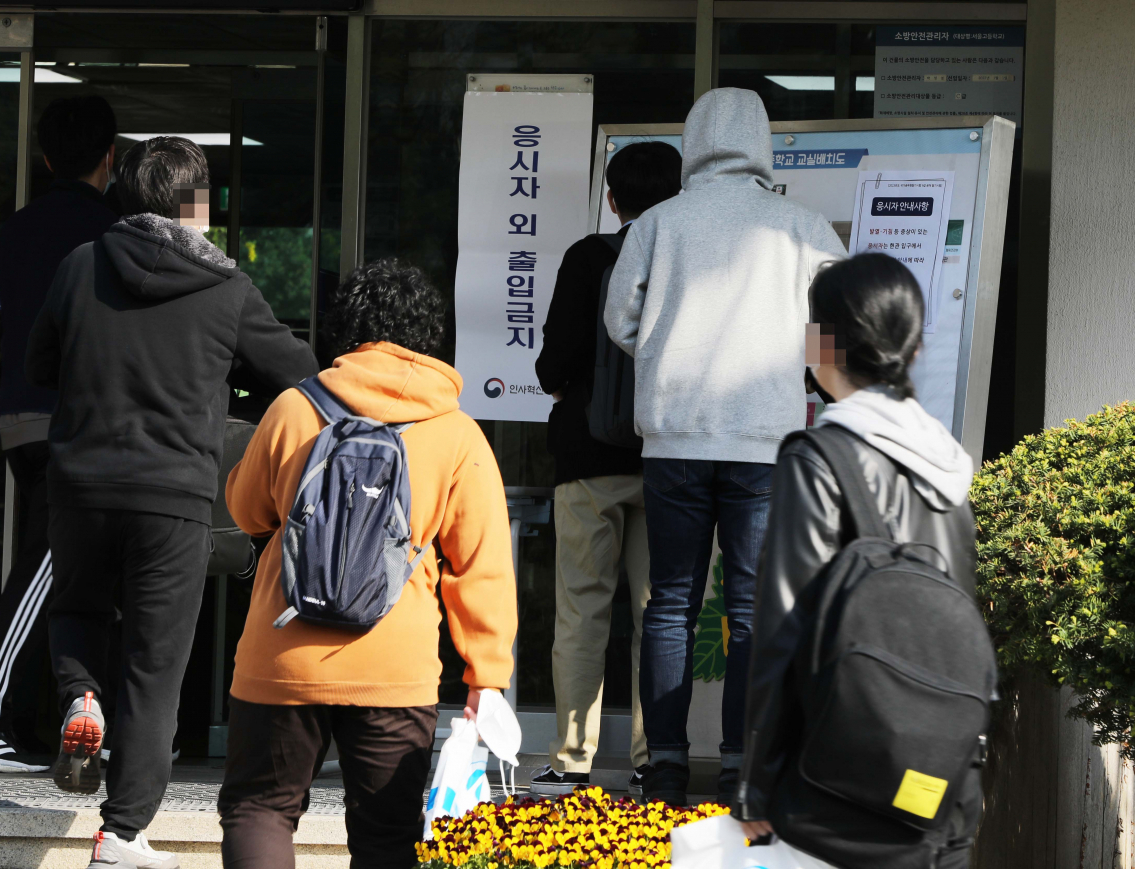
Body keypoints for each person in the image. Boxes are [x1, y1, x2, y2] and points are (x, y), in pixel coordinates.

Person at [26, 136, 318, 869]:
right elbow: (301, 375)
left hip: (81, 482)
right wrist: (224, 386)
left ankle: (80, 695)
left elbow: (36, 364)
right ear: (201, 207)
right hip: (175, 496)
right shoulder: (228, 289)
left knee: (76, 611)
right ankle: (121, 834)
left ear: (125, 194)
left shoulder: (80, 266)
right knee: (155, 668)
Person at [217, 259, 518, 869]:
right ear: (428, 335)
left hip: (283, 655)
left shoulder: (294, 409)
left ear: (345, 328)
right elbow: (480, 565)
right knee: (386, 834)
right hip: (394, 665)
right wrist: (485, 676)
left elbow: (247, 512)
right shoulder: (457, 432)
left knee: (261, 810)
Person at [604, 87, 847, 806]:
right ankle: (744, 761)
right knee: (751, 606)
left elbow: (621, 318)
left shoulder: (659, 224)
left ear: (695, 140)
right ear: (762, 142)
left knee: (670, 602)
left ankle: (669, 763)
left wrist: (661, 344)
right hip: (764, 439)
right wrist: (795, 361)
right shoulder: (802, 226)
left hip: (674, 436)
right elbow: (838, 326)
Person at [735, 252, 978, 867]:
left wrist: (757, 783)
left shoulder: (819, 459)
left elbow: (782, 631)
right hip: (938, 783)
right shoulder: (949, 467)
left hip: (835, 781)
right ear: (913, 349)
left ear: (821, 344)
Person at [0, 95, 119, 773]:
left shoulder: (15, 229)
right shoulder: (112, 231)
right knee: (50, 567)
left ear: (44, 157)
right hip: (79, 425)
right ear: (111, 157)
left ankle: (51, 721)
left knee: (70, 575)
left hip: (21, 418)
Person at [530, 141, 681, 797]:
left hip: (588, 462)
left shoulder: (588, 258)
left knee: (582, 611)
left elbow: (552, 367)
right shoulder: (689, 260)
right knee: (662, 615)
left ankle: (573, 759)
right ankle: (656, 757)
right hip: (669, 462)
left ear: (613, 199)